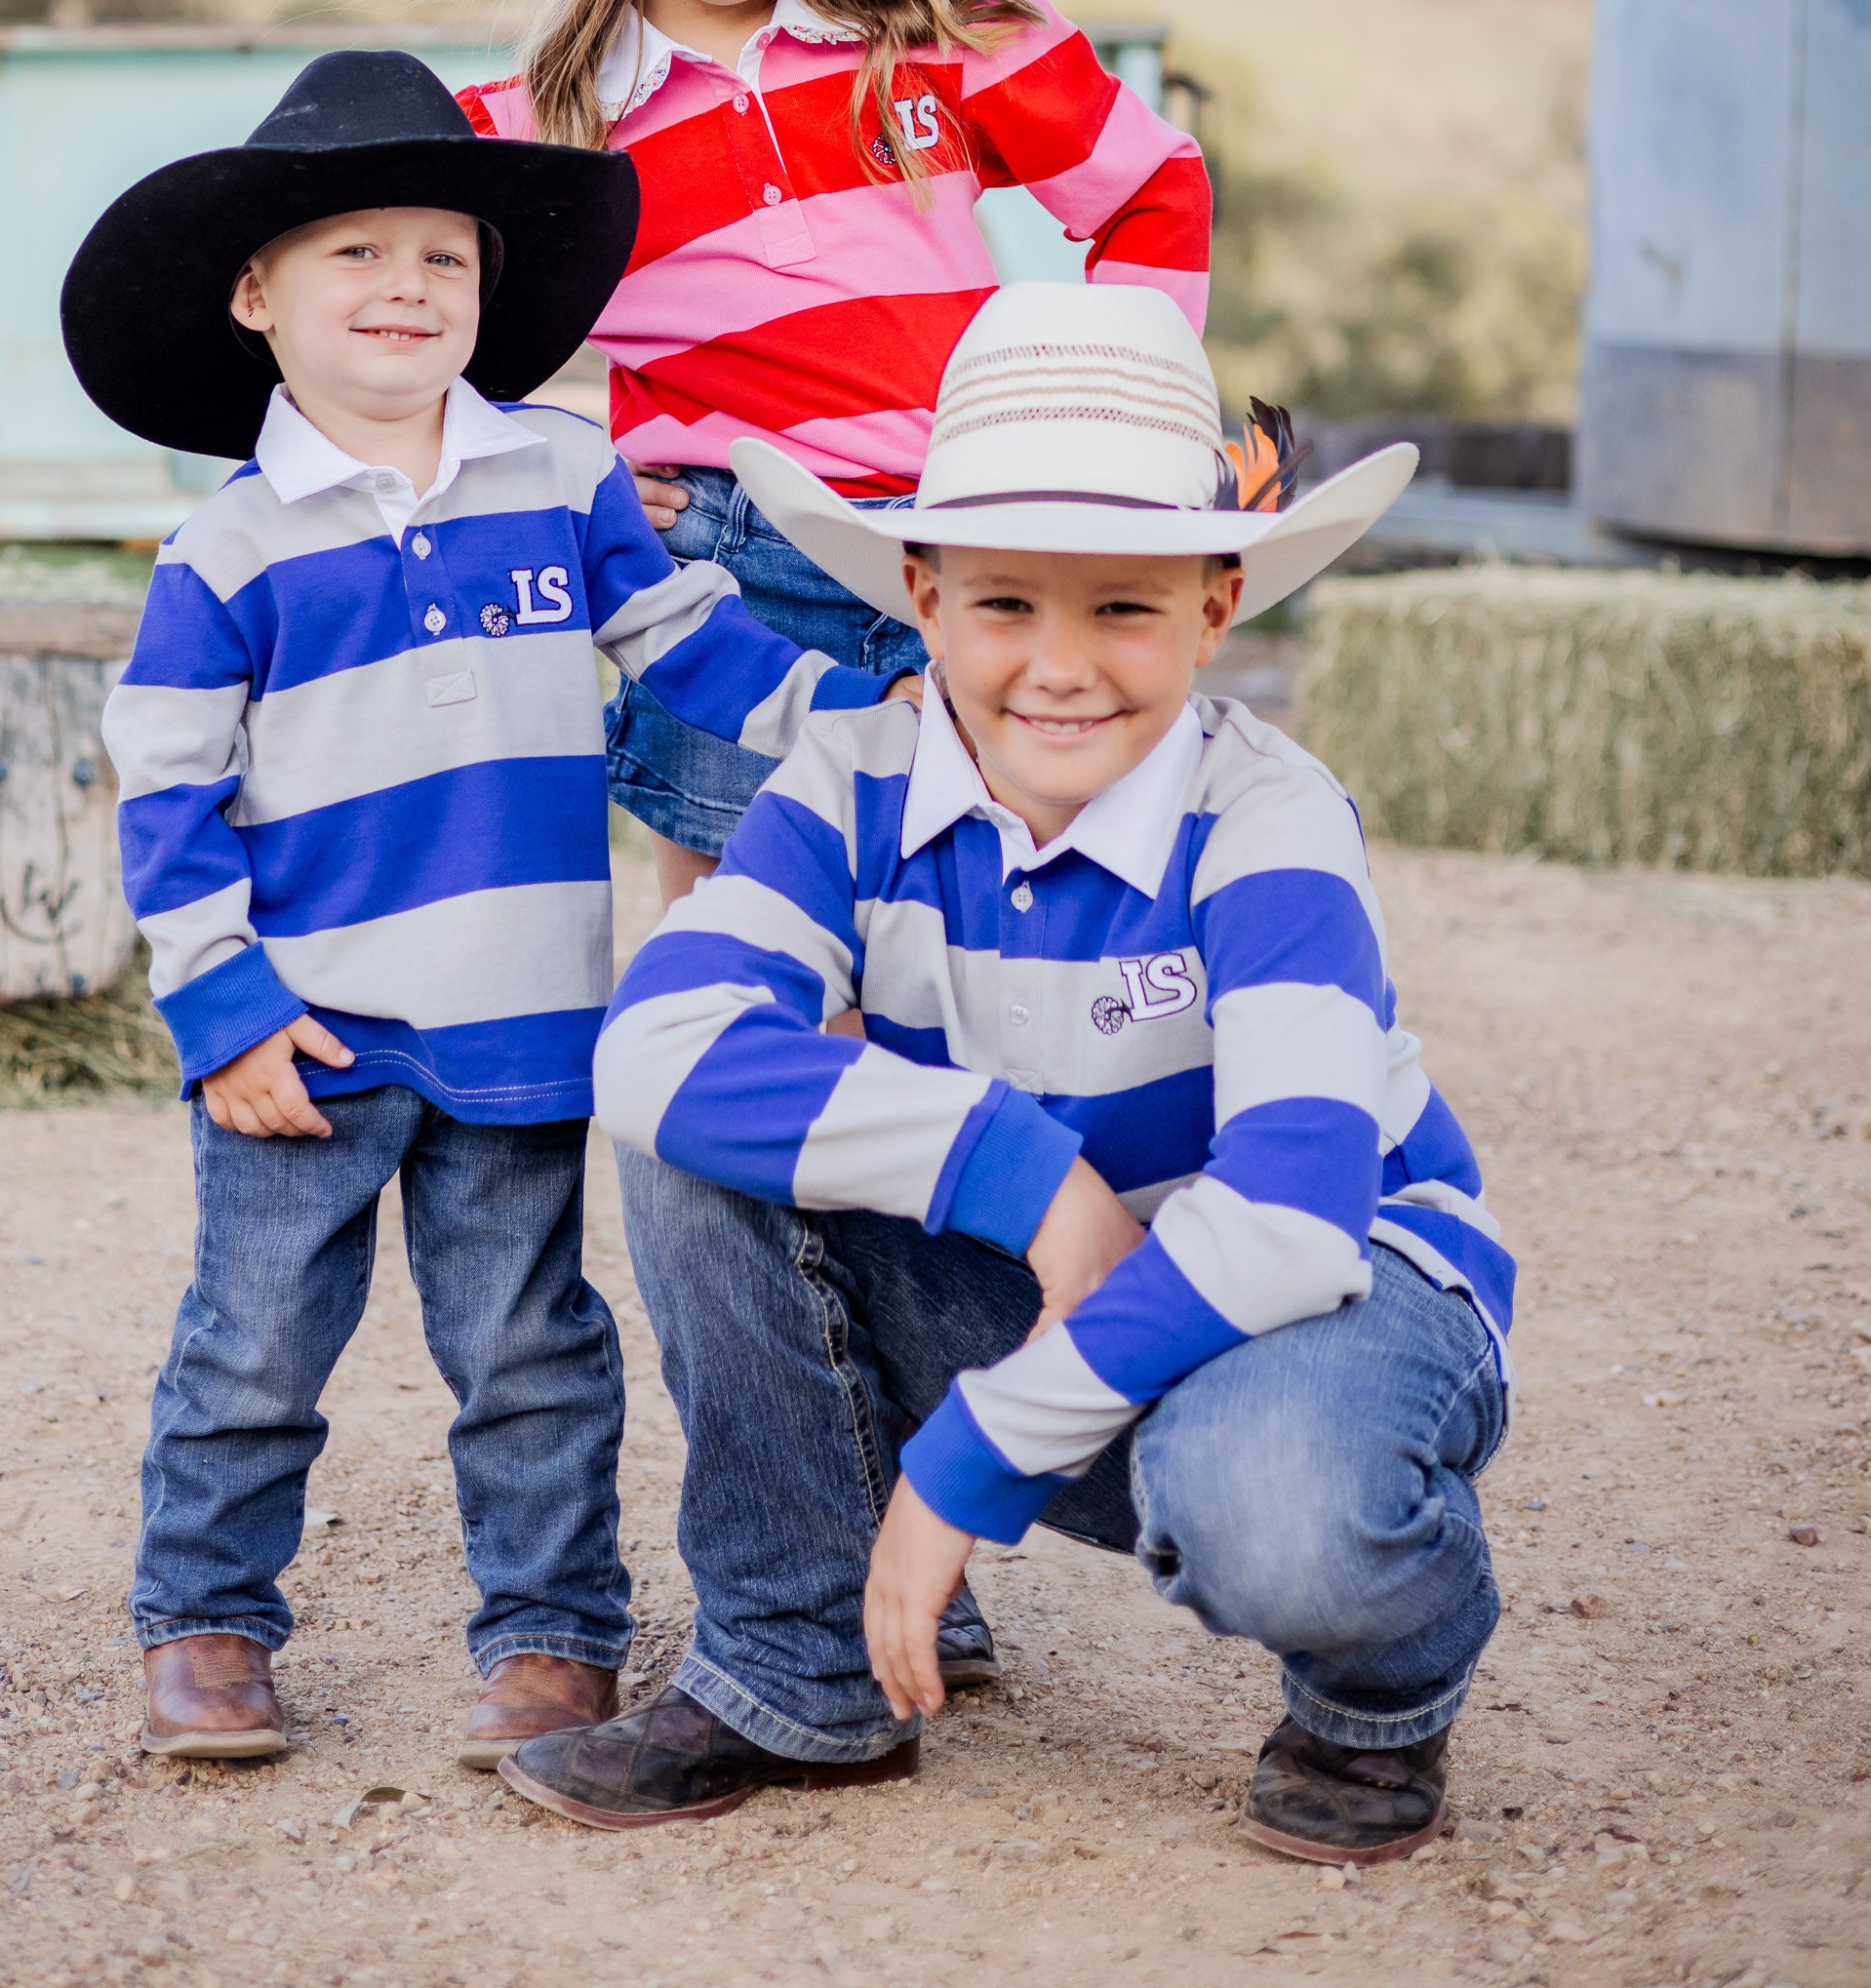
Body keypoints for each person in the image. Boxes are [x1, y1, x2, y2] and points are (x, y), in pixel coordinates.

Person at [501, 285, 1515, 1861]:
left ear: (1214, 606)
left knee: (1277, 1509)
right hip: (1045, 1277)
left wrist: (966, 1464)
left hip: (1322, 1309)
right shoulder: (853, 773)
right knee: (700, 1130)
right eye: (1001, 607)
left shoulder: (1268, 818)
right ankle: (797, 1658)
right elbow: (652, 1048)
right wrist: (1023, 1174)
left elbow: (1295, 1220)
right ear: (917, 594)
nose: (1057, 668)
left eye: (1122, 606)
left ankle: (1374, 1697)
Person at [59, 48, 912, 1772]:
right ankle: (208, 1626)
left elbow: (689, 646)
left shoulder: (563, 476)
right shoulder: (222, 549)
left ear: (485, 295)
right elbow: (162, 790)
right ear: (255, 295)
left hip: (522, 1012)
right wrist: (216, 1003)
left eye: (441, 256)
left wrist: (873, 724)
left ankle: (547, 1639)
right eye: (352, 253)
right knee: (252, 1347)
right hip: (301, 1025)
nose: (404, 285)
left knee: (529, 1348)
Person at [462, 0, 1212, 923]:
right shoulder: (529, 131)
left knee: (981, 953)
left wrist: (1100, 431)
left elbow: (1155, 187)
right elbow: (396, 345)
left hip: (972, 544)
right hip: (726, 577)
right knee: (739, 966)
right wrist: (553, 452)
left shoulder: (951, 40)